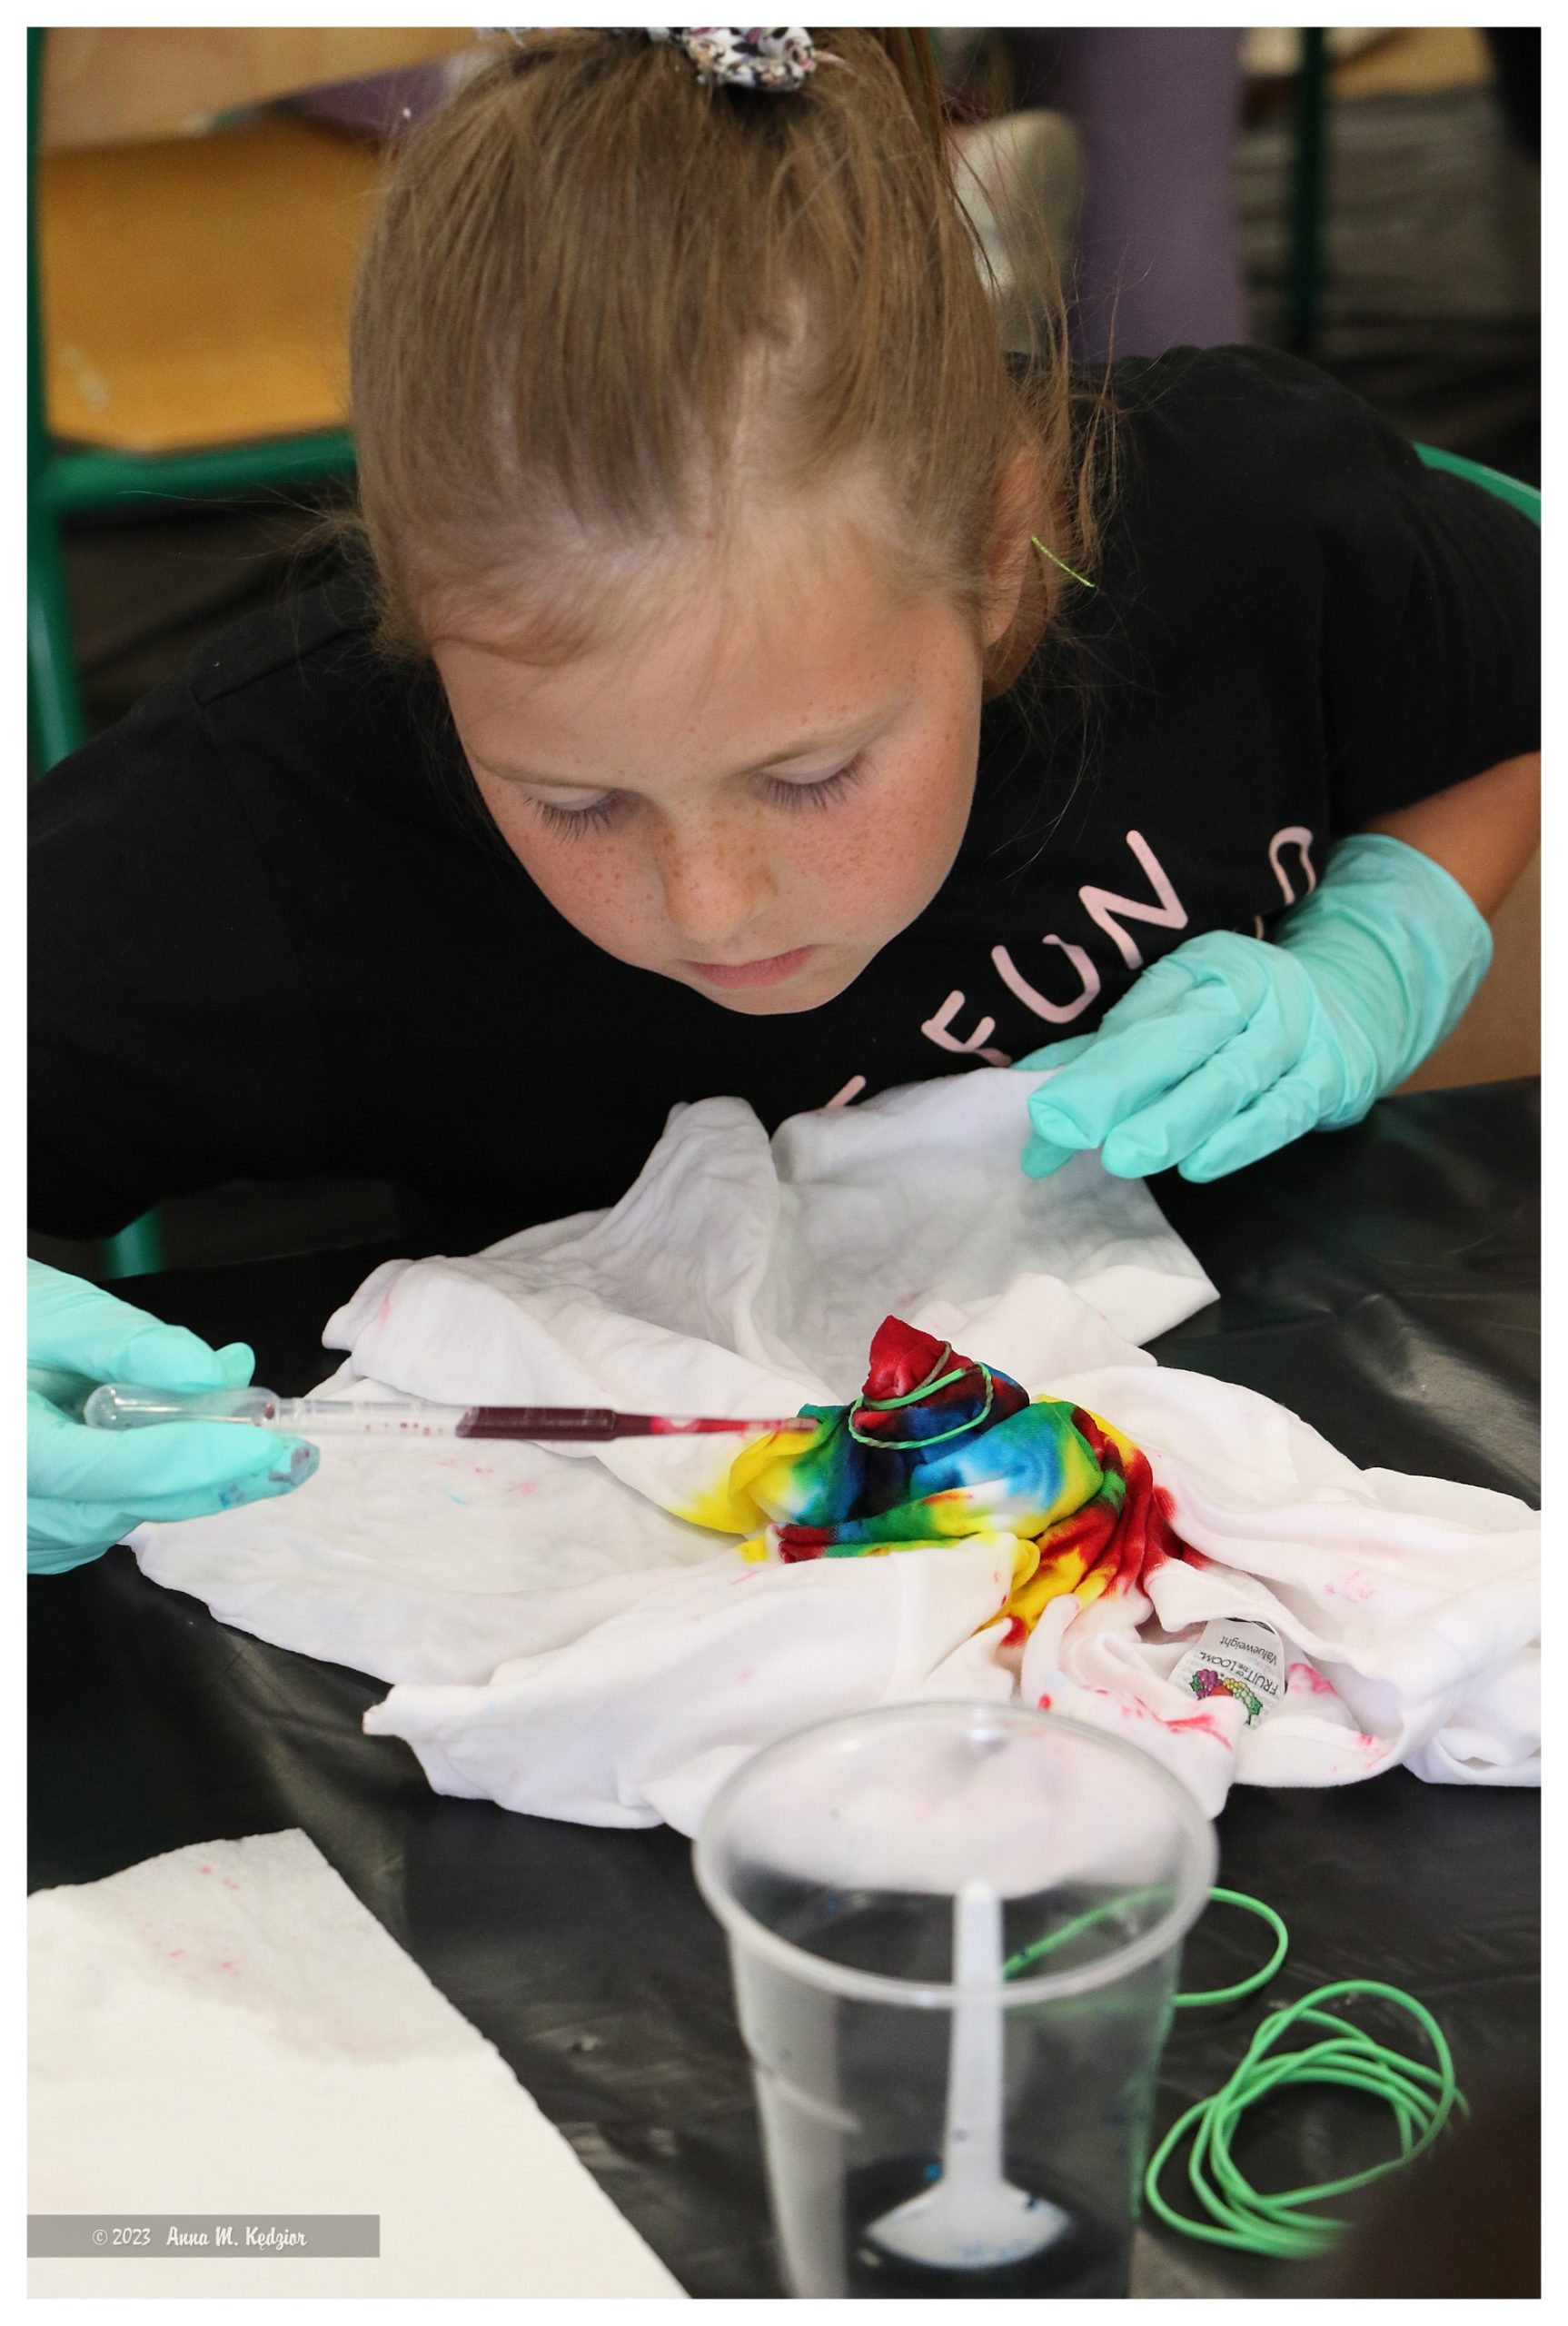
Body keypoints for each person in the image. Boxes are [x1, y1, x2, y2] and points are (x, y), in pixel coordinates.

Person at [29, 28, 1538, 1574]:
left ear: (999, 557)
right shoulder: (287, 813)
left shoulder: (1247, 530)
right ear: (416, 633)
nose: (713, 905)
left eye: (809, 775)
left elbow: (1502, 714)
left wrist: (1385, 946)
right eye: (574, 801)